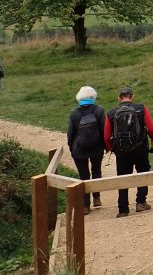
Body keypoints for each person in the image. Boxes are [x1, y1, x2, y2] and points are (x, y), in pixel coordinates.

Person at [104, 86, 153, 217]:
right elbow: (151, 128)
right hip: (140, 148)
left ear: (119, 98)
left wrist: (111, 148)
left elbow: (106, 136)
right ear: (132, 97)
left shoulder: (111, 113)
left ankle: (123, 209)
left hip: (122, 151)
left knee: (123, 177)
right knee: (143, 173)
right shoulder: (141, 108)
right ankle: (141, 203)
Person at [67, 86, 106, 215]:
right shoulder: (99, 110)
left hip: (79, 150)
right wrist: (105, 146)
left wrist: (72, 149)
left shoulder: (74, 113)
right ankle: (97, 198)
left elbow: (70, 134)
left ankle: (85, 206)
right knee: (96, 171)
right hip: (96, 147)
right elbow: (103, 130)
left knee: (84, 176)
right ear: (92, 97)